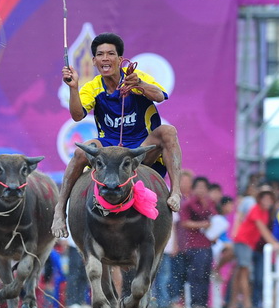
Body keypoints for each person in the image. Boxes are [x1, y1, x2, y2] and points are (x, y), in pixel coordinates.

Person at [51, 32, 183, 238]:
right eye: (100, 54)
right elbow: (77, 116)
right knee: (80, 152)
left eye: (111, 54)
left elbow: (160, 96)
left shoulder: (135, 77)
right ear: (93, 61)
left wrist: (139, 84)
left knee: (168, 132)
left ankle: (175, 192)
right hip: (109, 151)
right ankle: (60, 210)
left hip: (141, 148)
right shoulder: (92, 87)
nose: (105, 58)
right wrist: (74, 88)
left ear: (120, 59)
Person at [229, 186, 279, 308]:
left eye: (269, 198)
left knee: (239, 272)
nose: (267, 201)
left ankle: (233, 303)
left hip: (247, 244)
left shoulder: (264, 212)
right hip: (243, 242)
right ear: (259, 199)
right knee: (244, 271)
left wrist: (274, 243)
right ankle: (247, 302)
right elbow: (262, 230)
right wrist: (275, 244)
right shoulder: (256, 209)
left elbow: (263, 230)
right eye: (264, 198)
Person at [177, 176, 216, 308]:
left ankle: (204, 303)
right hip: (194, 245)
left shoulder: (210, 203)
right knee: (196, 275)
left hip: (208, 243)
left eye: (204, 187)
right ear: (193, 189)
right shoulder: (189, 204)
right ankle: (196, 303)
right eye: (198, 187)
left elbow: (214, 220)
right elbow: (184, 222)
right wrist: (202, 225)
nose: (201, 190)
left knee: (206, 274)